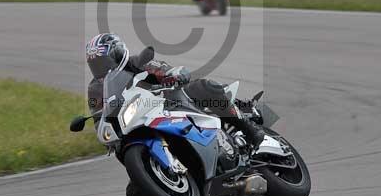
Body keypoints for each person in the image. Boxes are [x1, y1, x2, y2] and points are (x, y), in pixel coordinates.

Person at [85, 33, 264, 150]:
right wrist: (106, 132)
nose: (101, 68)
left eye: (104, 62)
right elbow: (99, 117)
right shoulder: (95, 89)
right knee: (134, 193)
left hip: (169, 103)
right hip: (137, 122)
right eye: (96, 65)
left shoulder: (137, 62)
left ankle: (250, 128)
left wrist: (172, 75)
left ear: (118, 54)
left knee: (204, 86)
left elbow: (163, 69)